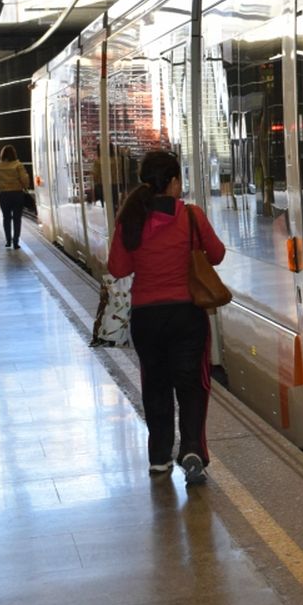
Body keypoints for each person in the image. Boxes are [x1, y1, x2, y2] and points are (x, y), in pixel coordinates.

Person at [107, 150, 226, 485]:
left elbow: (118, 267)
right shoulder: (190, 216)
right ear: (175, 181)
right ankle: (192, 452)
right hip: (187, 314)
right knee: (192, 384)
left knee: (155, 385)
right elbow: (216, 255)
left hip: (146, 318)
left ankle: (159, 456)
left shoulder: (130, 218)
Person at [0, 145, 32, 249]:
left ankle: (8, 240)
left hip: (4, 195)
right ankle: (16, 242)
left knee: (6, 218)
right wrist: (24, 186)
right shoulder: (18, 165)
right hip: (17, 194)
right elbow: (25, 180)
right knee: (17, 219)